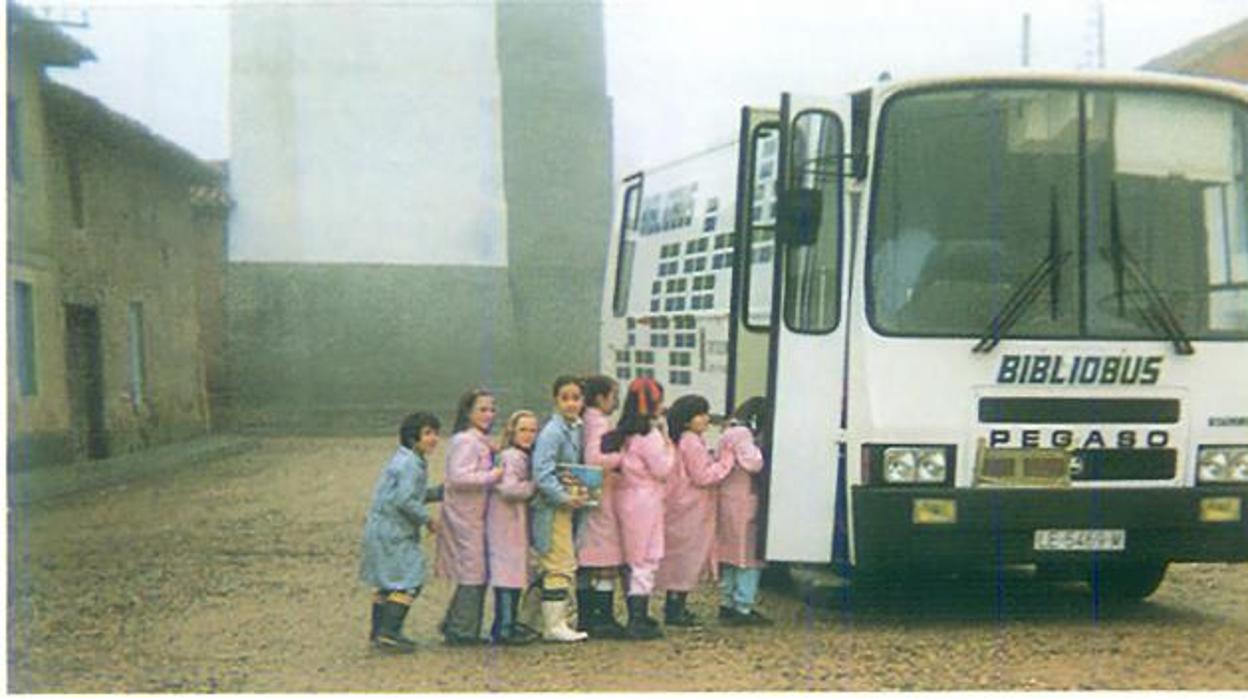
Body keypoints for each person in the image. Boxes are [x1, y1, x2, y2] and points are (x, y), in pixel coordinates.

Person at [358, 412, 442, 653]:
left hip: (380, 529)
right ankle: (389, 632)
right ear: (412, 436)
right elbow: (405, 500)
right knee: (409, 579)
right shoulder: (410, 464)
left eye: (435, 433)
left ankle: (378, 632)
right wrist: (428, 520)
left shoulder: (404, 459)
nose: (434, 438)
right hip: (394, 532)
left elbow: (408, 494)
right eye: (427, 433)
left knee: (387, 581)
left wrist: (437, 493)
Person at [604, 377, 674, 640]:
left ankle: (637, 614)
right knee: (646, 557)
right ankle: (638, 617)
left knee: (633, 558)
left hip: (625, 496)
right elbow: (663, 469)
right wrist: (668, 442)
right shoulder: (650, 435)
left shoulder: (621, 433)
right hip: (646, 498)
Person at [656, 394, 731, 627]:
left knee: (680, 558)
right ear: (688, 420)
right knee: (687, 558)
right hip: (692, 508)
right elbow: (703, 476)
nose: (706, 419)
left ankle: (675, 606)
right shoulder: (692, 442)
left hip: (681, 506)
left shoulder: (681, 440)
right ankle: (675, 610)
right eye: (700, 414)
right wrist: (726, 461)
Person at [435, 388, 503, 645]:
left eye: (492, 409)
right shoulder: (466, 441)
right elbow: (458, 477)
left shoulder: (478, 440)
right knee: (473, 571)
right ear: (467, 412)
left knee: (475, 569)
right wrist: (492, 476)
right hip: (464, 515)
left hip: (474, 514)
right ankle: (462, 630)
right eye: (482, 409)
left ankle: (457, 623)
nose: (489, 414)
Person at [530, 376, 592, 642]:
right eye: (565, 398)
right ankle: (554, 625)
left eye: (576, 398)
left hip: (568, 506)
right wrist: (564, 497)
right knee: (559, 563)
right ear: (556, 400)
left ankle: (540, 620)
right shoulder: (553, 432)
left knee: (561, 561)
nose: (571, 403)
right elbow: (542, 473)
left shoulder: (575, 429)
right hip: (552, 508)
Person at [574, 375, 628, 639]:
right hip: (600, 492)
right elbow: (594, 458)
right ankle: (603, 617)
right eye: (613, 395)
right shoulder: (598, 423)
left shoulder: (585, 420)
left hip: (588, 493)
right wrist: (621, 459)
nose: (616, 401)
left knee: (585, 556)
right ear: (600, 397)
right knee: (605, 555)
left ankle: (586, 616)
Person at [484, 410, 542, 645]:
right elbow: (508, 489)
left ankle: (506, 623)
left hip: (509, 523)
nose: (528, 435)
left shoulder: (515, 455)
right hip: (506, 523)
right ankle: (505, 627)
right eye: (523, 430)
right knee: (508, 576)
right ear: (512, 431)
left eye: (532, 430)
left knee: (511, 575)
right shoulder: (512, 457)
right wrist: (533, 486)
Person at [715, 397, 771, 625]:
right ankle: (743, 606)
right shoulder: (743, 434)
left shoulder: (728, 431)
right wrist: (761, 447)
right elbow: (753, 463)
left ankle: (727, 602)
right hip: (745, 499)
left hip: (729, 497)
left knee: (729, 553)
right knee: (749, 554)